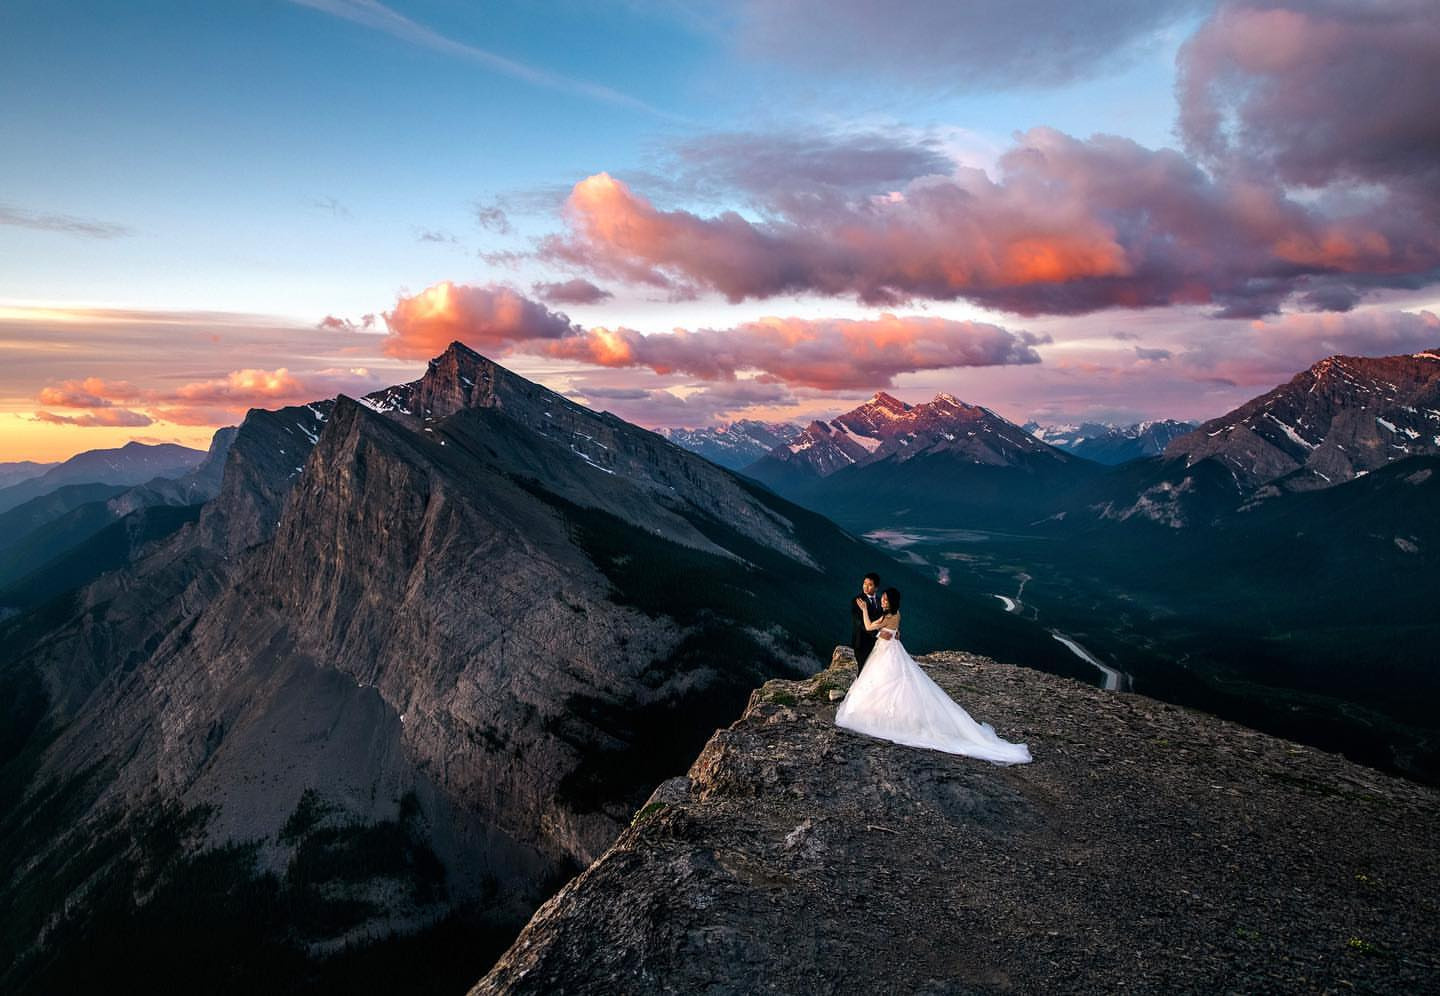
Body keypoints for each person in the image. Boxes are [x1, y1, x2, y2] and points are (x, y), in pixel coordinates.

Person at [836, 587, 1031, 764]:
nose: (883, 601)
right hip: (891, 649)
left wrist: (863, 610)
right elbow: (895, 631)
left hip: (885, 651)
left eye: (885, 599)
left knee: (885, 681)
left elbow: (869, 627)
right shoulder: (896, 614)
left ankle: (886, 717)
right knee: (896, 681)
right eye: (883, 599)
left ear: (892, 601)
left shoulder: (886, 617)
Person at [850, 572, 882, 669]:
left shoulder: (880, 600)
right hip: (861, 641)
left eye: (870, 585)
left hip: (876, 642)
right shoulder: (857, 600)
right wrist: (877, 634)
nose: (866, 587)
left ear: (876, 588)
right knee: (863, 669)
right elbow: (859, 622)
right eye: (864, 583)